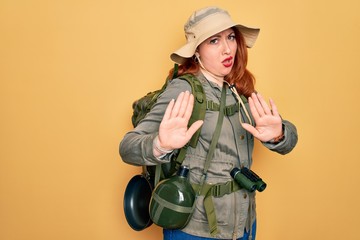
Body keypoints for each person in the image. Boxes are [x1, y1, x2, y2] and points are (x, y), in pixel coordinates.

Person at [120, 6, 298, 240]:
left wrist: (279, 135)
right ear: (197, 52)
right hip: (195, 229)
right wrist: (160, 145)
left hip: (243, 225)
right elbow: (127, 147)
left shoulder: (239, 90)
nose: (227, 49)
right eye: (214, 41)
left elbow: (289, 139)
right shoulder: (184, 89)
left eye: (231, 37)